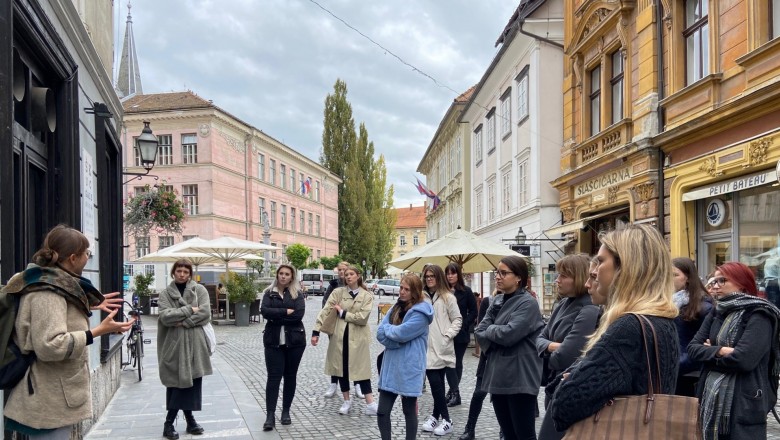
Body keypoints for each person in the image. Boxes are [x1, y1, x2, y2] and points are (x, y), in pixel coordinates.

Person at [2, 225, 133, 439]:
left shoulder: (51, 283)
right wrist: (97, 331)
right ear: (73, 258)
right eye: (86, 254)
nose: (87, 258)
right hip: (48, 395)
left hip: (52, 392)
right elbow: (49, 345)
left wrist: (88, 306)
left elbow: (48, 318)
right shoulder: (48, 292)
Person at [549, 224, 680, 434]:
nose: (593, 270)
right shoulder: (662, 319)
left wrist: (572, 379)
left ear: (625, 266)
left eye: (600, 261)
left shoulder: (628, 327)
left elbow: (566, 404)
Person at [688, 261, 780, 440]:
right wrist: (721, 350)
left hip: (744, 400)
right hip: (710, 398)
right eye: (713, 281)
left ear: (742, 284)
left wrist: (710, 352)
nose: (714, 286)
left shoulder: (759, 314)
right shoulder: (717, 311)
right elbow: (693, 348)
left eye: (721, 280)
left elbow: (744, 360)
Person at [474, 256, 543, 440]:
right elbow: (479, 331)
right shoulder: (497, 301)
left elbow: (509, 335)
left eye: (503, 273)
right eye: (497, 272)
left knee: (524, 435)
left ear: (518, 277)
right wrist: (493, 333)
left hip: (519, 379)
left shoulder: (528, 303)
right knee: (509, 435)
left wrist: (492, 331)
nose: (498, 276)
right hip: (497, 378)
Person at [536, 254, 599, 440]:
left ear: (578, 277)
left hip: (569, 387)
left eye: (563, 276)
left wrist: (547, 348)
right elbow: (539, 338)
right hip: (553, 384)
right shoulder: (563, 304)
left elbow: (565, 357)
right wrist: (553, 346)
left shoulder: (589, 309)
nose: (557, 280)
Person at [158, 259, 213, 440]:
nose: (182, 274)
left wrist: (183, 322)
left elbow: (205, 313)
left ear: (190, 274)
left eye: (185, 271)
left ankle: (187, 420)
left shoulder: (199, 290)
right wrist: (190, 309)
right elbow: (165, 317)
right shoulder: (166, 293)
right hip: (174, 344)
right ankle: (172, 423)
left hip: (195, 345)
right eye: (179, 271)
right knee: (177, 383)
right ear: (173, 272)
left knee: (192, 381)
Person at [311, 265, 377, 416]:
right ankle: (346, 400)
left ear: (358, 276)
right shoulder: (338, 292)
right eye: (346, 274)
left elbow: (362, 318)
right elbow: (326, 310)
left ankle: (371, 403)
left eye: (351, 274)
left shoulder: (366, 295)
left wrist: (343, 313)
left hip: (359, 338)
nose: (348, 277)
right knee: (341, 369)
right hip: (339, 337)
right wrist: (316, 331)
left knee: (362, 369)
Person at [376, 273, 434, 440]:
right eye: (401, 288)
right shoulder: (396, 307)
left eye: (406, 289)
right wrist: (394, 341)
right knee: (382, 412)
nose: (401, 292)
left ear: (415, 292)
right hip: (391, 367)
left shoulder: (421, 313)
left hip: (409, 367)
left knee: (409, 411)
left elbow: (402, 333)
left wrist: (391, 333)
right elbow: (380, 333)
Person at [260, 264, 306, 431]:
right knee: (274, 377)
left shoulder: (297, 294)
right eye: (281, 273)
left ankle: (286, 411)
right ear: (277, 275)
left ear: (292, 277)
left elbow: (298, 315)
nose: (283, 276)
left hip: (295, 342)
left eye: (287, 274)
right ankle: (270, 415)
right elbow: (264, 311)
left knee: (290, 376)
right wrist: (284, 311)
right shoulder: (268, 292)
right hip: (273, 342)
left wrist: (276, 316)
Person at [420, 264, 462, 436]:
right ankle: (440, 417)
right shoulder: (421, 298)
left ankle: (444, 419)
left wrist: (447, 336)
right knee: (435, 384)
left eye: (432, 276)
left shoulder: (448, 298)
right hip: (426, 347)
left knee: (438, 385)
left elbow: (457, 319)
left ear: (438, 277)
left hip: (442, 346)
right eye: (427, 276)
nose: (429, 278)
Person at [458, 289, 498, 440]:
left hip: (506, 359)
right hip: (488, 355)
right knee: (479, 393)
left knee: (503, 398)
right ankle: (470, 429)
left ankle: (504, 432)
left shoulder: (520, 303)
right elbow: (480, 330)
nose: (499, 278)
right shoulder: (488, 301)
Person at [671, 257, 713, 397]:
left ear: (688, 278)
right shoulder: (666, 303)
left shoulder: (703, 308)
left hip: (689, 375)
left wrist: (675, 365)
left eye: (675, 275)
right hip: (669, 372)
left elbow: (704, 346)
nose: (669, 279)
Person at [321, 261, 362, 398]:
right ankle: (333, 383)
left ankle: (357, 384)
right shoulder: (333, 285)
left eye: (344, 270)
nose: (341, 272)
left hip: (352, 325)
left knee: (355, 355)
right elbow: (326, 304)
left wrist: (343, 310)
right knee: (336, 355)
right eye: (339, 270)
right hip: (335, 324)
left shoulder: (356, 286)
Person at [444, 262, 477, 407]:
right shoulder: (443, 291)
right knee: (447, 363)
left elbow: (474, 311)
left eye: (453, 273)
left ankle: (454, 393)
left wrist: (464, 324)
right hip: (445, 332)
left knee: (456, 363)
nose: (450, 276)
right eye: (448, 273)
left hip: (460, 335)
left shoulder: (466, 291)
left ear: (458, 274)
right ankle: (452, 391)